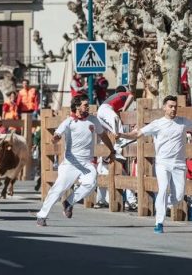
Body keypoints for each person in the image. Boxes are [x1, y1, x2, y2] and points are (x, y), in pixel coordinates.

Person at [36, 95, 116, 227]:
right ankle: (42, 215)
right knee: (59, 188)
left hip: (87, 162)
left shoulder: (93, 120)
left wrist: (112, 150)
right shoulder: (69, 122)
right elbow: (57, 134)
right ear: (77, 106)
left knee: (91, 183)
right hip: (71, 163)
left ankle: (68, 202)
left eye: (88, 104)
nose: (88, 107)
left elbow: (103, 135)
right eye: (85, 105)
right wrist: (55, 138)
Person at [118, 95, 191, 233]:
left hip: (179, 164)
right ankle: (159, 223)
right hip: (163, 163)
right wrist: (122, 135)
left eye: (175, 106)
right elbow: (137, 134)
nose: (173, 109)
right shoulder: (158, 123)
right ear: (164, 107)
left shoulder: (183, 122)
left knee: (179, 197)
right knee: (163, 189)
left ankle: (162, 204)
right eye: (170, 106)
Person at [97, 86, 135, 157]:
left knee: (114, 132)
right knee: (116, 118)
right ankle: (122, 139)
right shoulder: (122, 94)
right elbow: (131, 96)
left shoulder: (115, 98)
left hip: (100, 113)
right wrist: (124, 108)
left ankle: (117, 150)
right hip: (105, 108)